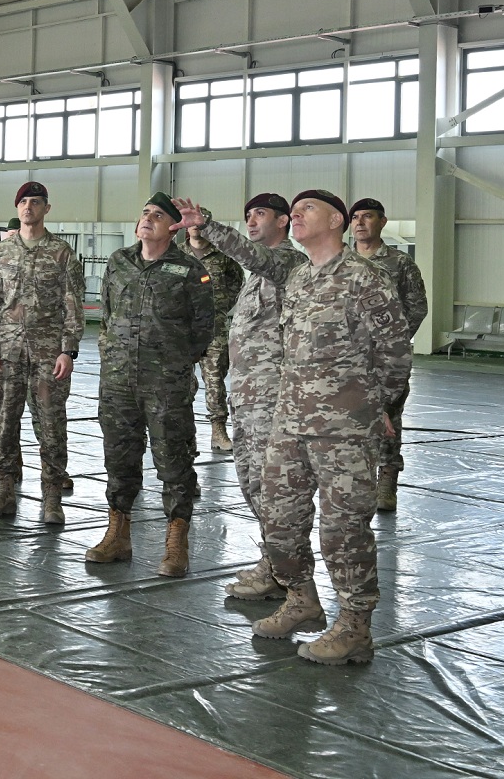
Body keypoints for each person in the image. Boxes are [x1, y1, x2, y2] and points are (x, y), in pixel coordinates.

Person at [174, 191, 412, 665]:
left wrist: (380, 404)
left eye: (307, 209)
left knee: (343, 531)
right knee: (280, 524)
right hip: (289, 420)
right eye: (295, 209)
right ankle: (301, 598)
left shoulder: (367, 280)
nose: (298, 214)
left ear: (337, 221)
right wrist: (209, 226)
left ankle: (354, 627)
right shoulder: (298, 275)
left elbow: (395, 352)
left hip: (345, 427)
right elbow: (253, 255)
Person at [85, 193, 215, 577]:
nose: (147, 219)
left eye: (158, 215)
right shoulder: (119, 262)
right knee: (118, 458)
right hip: (119, 382)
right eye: (145, 213)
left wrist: (171, 363)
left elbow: (203, 330)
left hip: (166, 384)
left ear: (174, 226)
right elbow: (106, 317)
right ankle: (118, 534)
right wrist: (114, 357)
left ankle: (176, 543)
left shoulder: (191, 271)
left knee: (174, 461)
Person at [201, 194, 308, 603]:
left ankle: (288, 574)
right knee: (251, 483)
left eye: (259, 214)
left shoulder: (286, 263)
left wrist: (207, 225)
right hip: (247, 396)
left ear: (283, 221)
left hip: (272, 398)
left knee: (272, 487)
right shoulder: (257, 277)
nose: (251, 221)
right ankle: (274, 560)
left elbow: (251, 255)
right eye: (246, 215)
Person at [0, 181, 84, 526]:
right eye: (23, 202)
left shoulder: (62, 253)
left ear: (46, 209)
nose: (28, 208)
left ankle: (52, 497)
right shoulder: (1, 253)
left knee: (52, 424)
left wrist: (68, 350)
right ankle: (4, 490)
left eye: (35, 203)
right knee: (5, 423)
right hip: (7, 353)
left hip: (47, 354)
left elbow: (73, 307)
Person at [349, 198, 428, 513]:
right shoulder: (339, 262)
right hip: (346, 357)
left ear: (382, 222)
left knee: (388, 419)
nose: (360, 223)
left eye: (367, 217)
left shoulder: (399, 262)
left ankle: (387, 484)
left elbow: (416, 305)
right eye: (355, 217)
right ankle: (355, 484)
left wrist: (392, 341)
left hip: (386, 358)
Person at [183, 222, 244, 453]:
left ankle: (218, 431)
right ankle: (186, 435)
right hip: (183, 329)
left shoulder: (223, 256)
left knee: (216, 379)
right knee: (181, 381)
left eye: (200, 224)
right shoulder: (176, 253)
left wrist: (219, 306)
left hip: (213, 328)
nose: (196, 229)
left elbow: (237, 283)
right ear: (186, 229)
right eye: (192, 225)